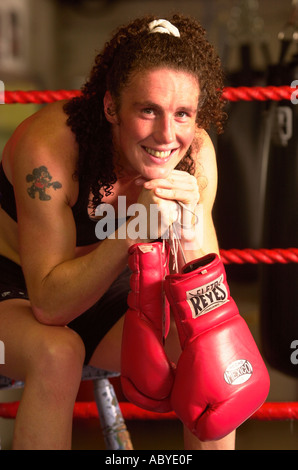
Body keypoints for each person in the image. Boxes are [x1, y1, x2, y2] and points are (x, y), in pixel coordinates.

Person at [0, 13, 233, 450]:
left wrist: (189, 234)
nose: (167, 135)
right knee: (57, 355)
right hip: (18, 287)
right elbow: (51, 307)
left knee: (207, 348)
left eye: (183, 114)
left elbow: (207, 295)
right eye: (148, 110)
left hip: (105, 287)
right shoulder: (49, 150)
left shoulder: (196, 157)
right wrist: (135, 228)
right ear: (111, 107)